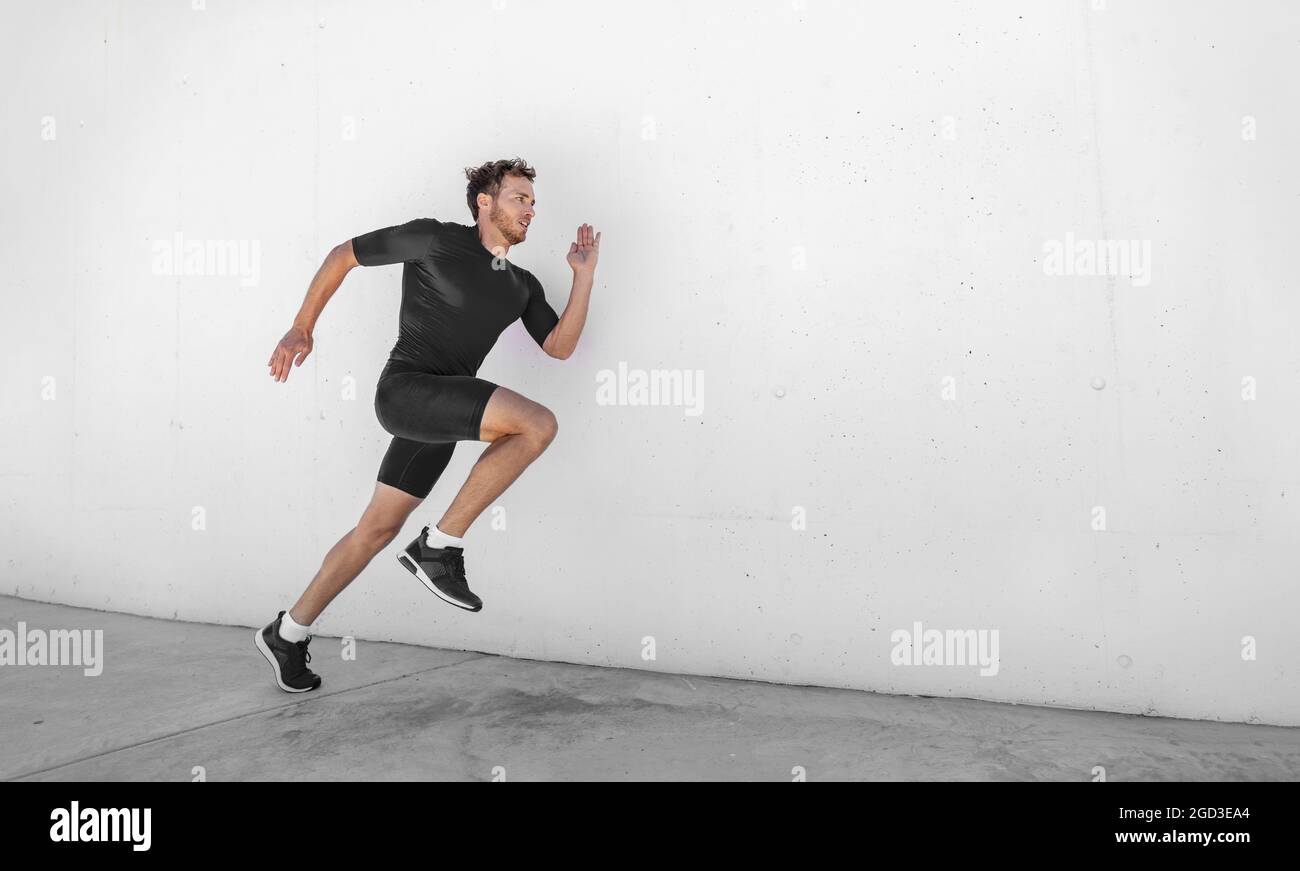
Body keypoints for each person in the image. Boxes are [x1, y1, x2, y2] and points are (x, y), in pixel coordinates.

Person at [254, 158, 600, 692]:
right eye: (519, 198)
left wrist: (583, 277)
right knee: (537, 424)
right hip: (407, 391)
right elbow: (342, 256)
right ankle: (439, 546)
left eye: (533, 201)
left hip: (440, 413)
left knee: (376, 530)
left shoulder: (522, 284)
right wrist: (302, 327)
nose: (530, 209)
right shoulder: (433, 239)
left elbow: (559, 347)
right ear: (485, 202)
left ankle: (288, 632)